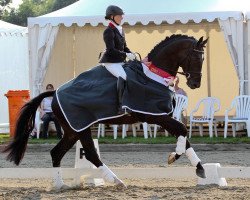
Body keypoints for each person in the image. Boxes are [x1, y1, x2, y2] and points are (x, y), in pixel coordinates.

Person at [99, 5, 136, 114]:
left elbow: (124, 47)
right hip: (110, 61)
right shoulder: (108, 31)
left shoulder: (121, 30)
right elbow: (110, 50)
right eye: (119, 16)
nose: (122, 17)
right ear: (112, 16)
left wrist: (130, 53)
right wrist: (125, 54)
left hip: (119, 61)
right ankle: (121, 106)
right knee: (123, 77)